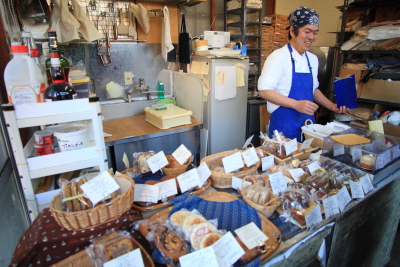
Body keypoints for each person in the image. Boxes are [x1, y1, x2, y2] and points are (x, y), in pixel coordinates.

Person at [258, 6, 349, 141]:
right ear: (293, 31)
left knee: (305, 161)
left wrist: (331, 106)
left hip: (308, 125)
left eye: (315, 32)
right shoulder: (279, 57)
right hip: (284, 127)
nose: (312, 37)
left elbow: (313, 89)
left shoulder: (312, 59)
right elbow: (264, 91)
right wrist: (296, 104)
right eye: (307, 31)